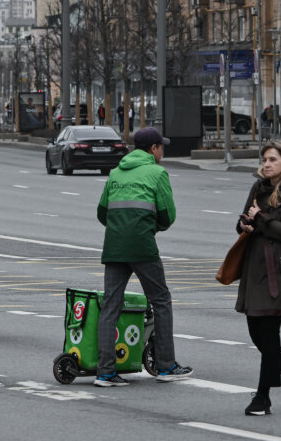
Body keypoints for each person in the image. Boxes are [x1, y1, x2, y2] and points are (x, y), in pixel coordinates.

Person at [93, 127, 192, 387]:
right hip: (142, 246)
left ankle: (105, 372)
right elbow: (167, 215)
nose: (163, 151)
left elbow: (102, 213)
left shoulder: (115, 173)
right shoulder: (157, 173)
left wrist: (120, 228)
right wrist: (150, 228)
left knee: (110, 307)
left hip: (113, 246)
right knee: (161, 300)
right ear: (153, 149)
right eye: (162, 147)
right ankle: (166, 366)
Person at [236, 140, 281, 416]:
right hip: (254, 267)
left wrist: (261, 219)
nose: (266, 164)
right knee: (258, 334)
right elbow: (246, 218)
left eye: (272, 160)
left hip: (280, 270)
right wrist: (243, 223)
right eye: (264, 159)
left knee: (269, 334)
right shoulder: (258, 187)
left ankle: (262, 399)